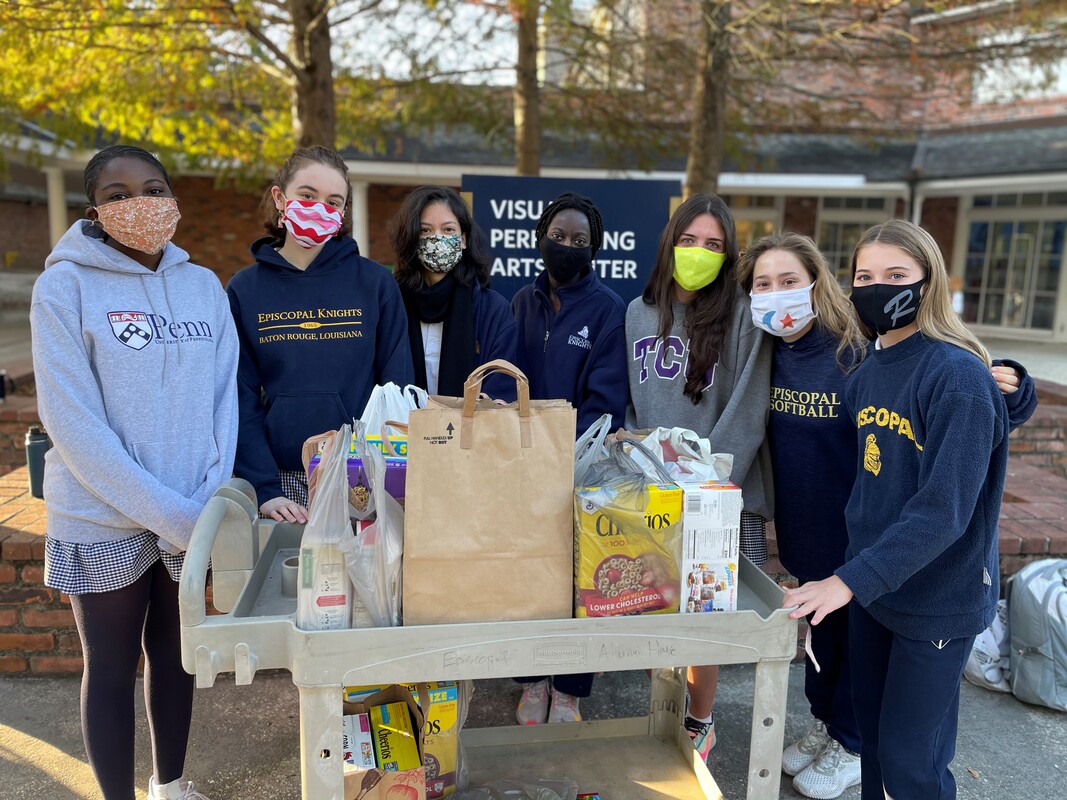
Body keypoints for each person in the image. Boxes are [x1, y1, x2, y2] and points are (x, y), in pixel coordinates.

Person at [738, 231, 1036, 799]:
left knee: (910, 764)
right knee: (874, 747)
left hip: (937, 599)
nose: (878, 289)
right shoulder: (868, 375)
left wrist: (848, 580)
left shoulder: (956, 374)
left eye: (896, 276)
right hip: (876, 591)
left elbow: (944, 509)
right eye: (866, 277)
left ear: (930, 281)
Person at [30, 145, 239, 800]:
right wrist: (177, 516)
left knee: (177, 661)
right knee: (112, 669)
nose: (138, 203)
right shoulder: (64, 288)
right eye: (118, 195)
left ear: (173, 199)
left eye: (152, 188)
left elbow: (223, 400)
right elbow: (74, 424)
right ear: (95, 212)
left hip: (189, 508)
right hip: (101, 514)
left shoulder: (203, 285)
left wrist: (207, 498)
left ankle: (170, 786)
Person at [625, 193, 773, 760]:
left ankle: (699, 720)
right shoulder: (638, 311)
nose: (699, 252)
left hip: (717, 493)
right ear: (669, 243)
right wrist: (643, 464)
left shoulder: (741, 314)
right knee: (651, 605)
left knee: (704, 616)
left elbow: (748, 405)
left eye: (713, 244)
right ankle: (663, 712)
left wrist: (707, 482)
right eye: (689, 240)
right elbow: (638, 407)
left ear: (728, 254)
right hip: (653, 488)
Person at [228, 146, 413, 522]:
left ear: (342, 213)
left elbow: (396, 389)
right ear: (281, 198)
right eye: (307, 196)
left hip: (362, 476)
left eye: (334, 202)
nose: (319, 208)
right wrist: (265, 488)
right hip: (282, 485)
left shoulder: (375, 284)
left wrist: (384, 477)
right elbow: (238, 397)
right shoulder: (245, 290)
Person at [510, 192, 628, 724]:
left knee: (580, 578)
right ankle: (533, 678)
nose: (567, 247)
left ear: (594, 249)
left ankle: (570, 689)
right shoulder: (520, 302)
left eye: (580, 241)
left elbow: (604, 400)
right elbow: (503, 379)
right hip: (519, 464)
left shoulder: (610, 310)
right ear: (541, 239)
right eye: (559, 236)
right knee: (529, 574)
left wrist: (559, 450)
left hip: (578, 466)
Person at [388, 185, 516, 400]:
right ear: (411, 238)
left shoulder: (492, 309)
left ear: (463, 239)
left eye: (448, 230)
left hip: (471, 431)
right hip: (399, 431)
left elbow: (501, 385)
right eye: (425, 230)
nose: (437, 239)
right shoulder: (391, 304)